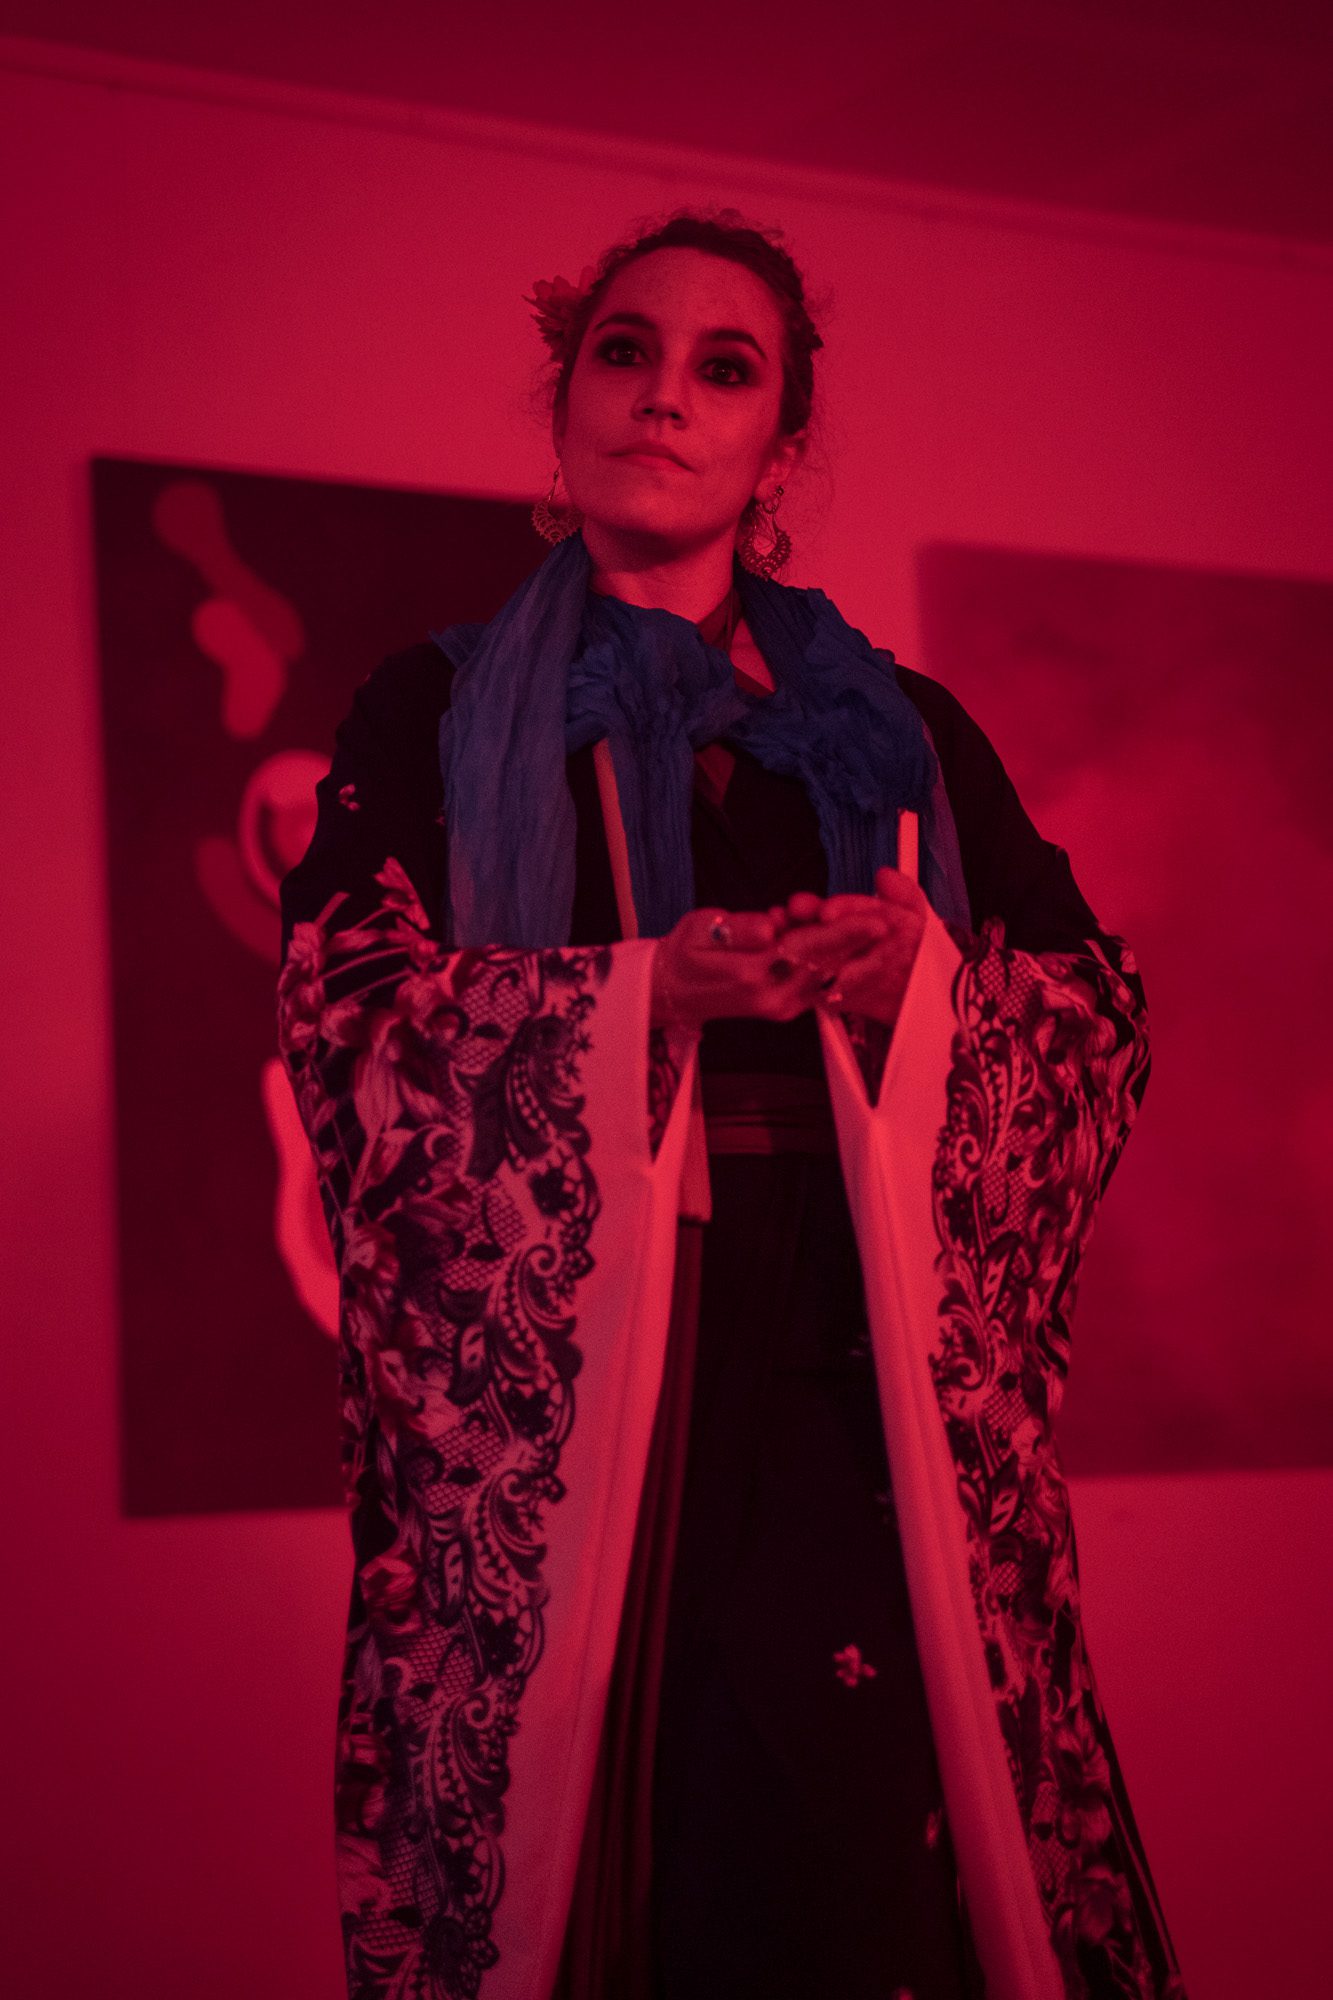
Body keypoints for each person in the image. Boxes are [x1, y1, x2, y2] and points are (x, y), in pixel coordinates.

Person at [278, 210, 1186, 2000]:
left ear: (780, 446)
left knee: (858, 1855)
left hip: (853, 1354)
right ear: (563, 401)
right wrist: (636, 1003)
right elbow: (350, 1015)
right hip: (597, 1372)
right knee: (629, 1845)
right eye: (622, 352)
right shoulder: (434, 710)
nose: (663, 399)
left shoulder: (900, 728)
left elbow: (1098, 1016)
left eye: (723, 368)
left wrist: (918, 989)